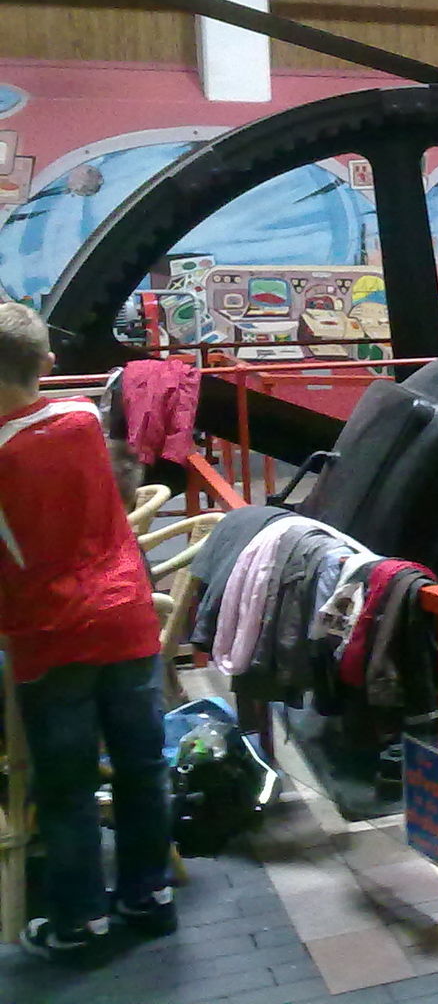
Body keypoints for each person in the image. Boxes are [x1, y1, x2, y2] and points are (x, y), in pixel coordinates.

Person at [0, 303, 174, 962]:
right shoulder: (82, 419)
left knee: (67, 785)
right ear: (47, 363)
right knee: (141, 766)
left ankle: (79, 922)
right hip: (127, 619)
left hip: (51, 636)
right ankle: (148, 896)